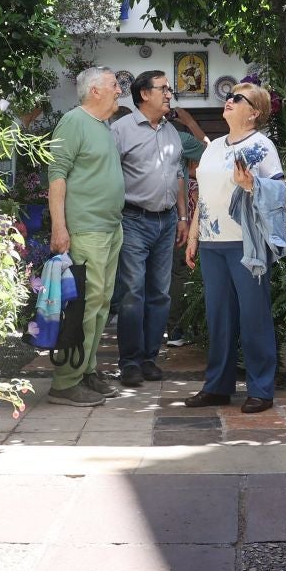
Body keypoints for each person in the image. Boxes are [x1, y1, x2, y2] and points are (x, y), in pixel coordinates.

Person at [183, 85, 286, 414]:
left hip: (247, 242)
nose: (229, 100)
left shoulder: (262, 146)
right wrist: (194, 236)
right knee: (219, 318)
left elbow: (280, 190)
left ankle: (261, 389)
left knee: (254, 316)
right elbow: (203, 194)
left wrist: (252, 184)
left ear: (254, 112)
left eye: (238, 98)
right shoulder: (213, 148)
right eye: (229, 96)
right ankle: (217, 387)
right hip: (212, 243)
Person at [46, 66, 126, 406]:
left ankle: (86, 369)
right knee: (83, 307)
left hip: (110, 228)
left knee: (101, 305)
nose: (119, 90)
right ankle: (66, 382)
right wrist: (59, 227)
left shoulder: (102, 125)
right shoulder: (73, 122)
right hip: (86, 229)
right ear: (95, 91)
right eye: (114, 85)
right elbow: (57, 175)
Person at [108, 72, 192, 387]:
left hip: (167, 221)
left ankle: (149, 359)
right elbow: (108, 174)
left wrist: (182, 217)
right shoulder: (121, 130)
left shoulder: (171, 131)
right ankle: (129, 362)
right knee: (133, 293)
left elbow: (179, 175)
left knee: (160, 293)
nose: (169, 94)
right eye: (164, 89)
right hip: (133, 219)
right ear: (144, 94)